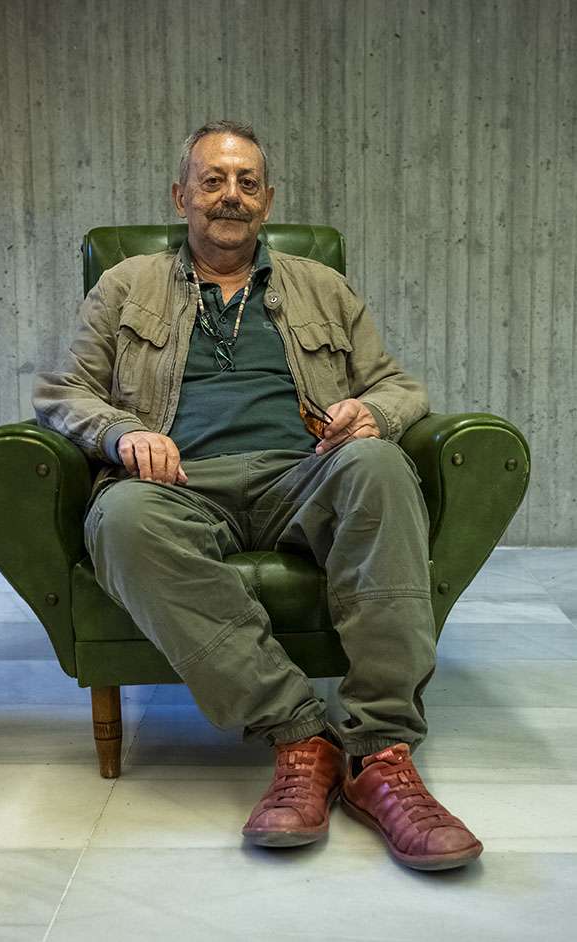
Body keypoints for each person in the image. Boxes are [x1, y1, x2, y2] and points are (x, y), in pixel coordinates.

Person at [33, 120, 483, 871]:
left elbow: (398, 385)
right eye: (212, 180)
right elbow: (63, 391)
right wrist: (120, 433)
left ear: (267, 200)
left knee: (377, 467)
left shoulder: (322, 286)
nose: (230, 195)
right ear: (180, 196)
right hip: (179, 483)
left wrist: (375, 413)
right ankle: (300, 736)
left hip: (303, 474)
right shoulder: (126, 285)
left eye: (246, 182)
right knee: (121, 518)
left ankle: (380, 752)